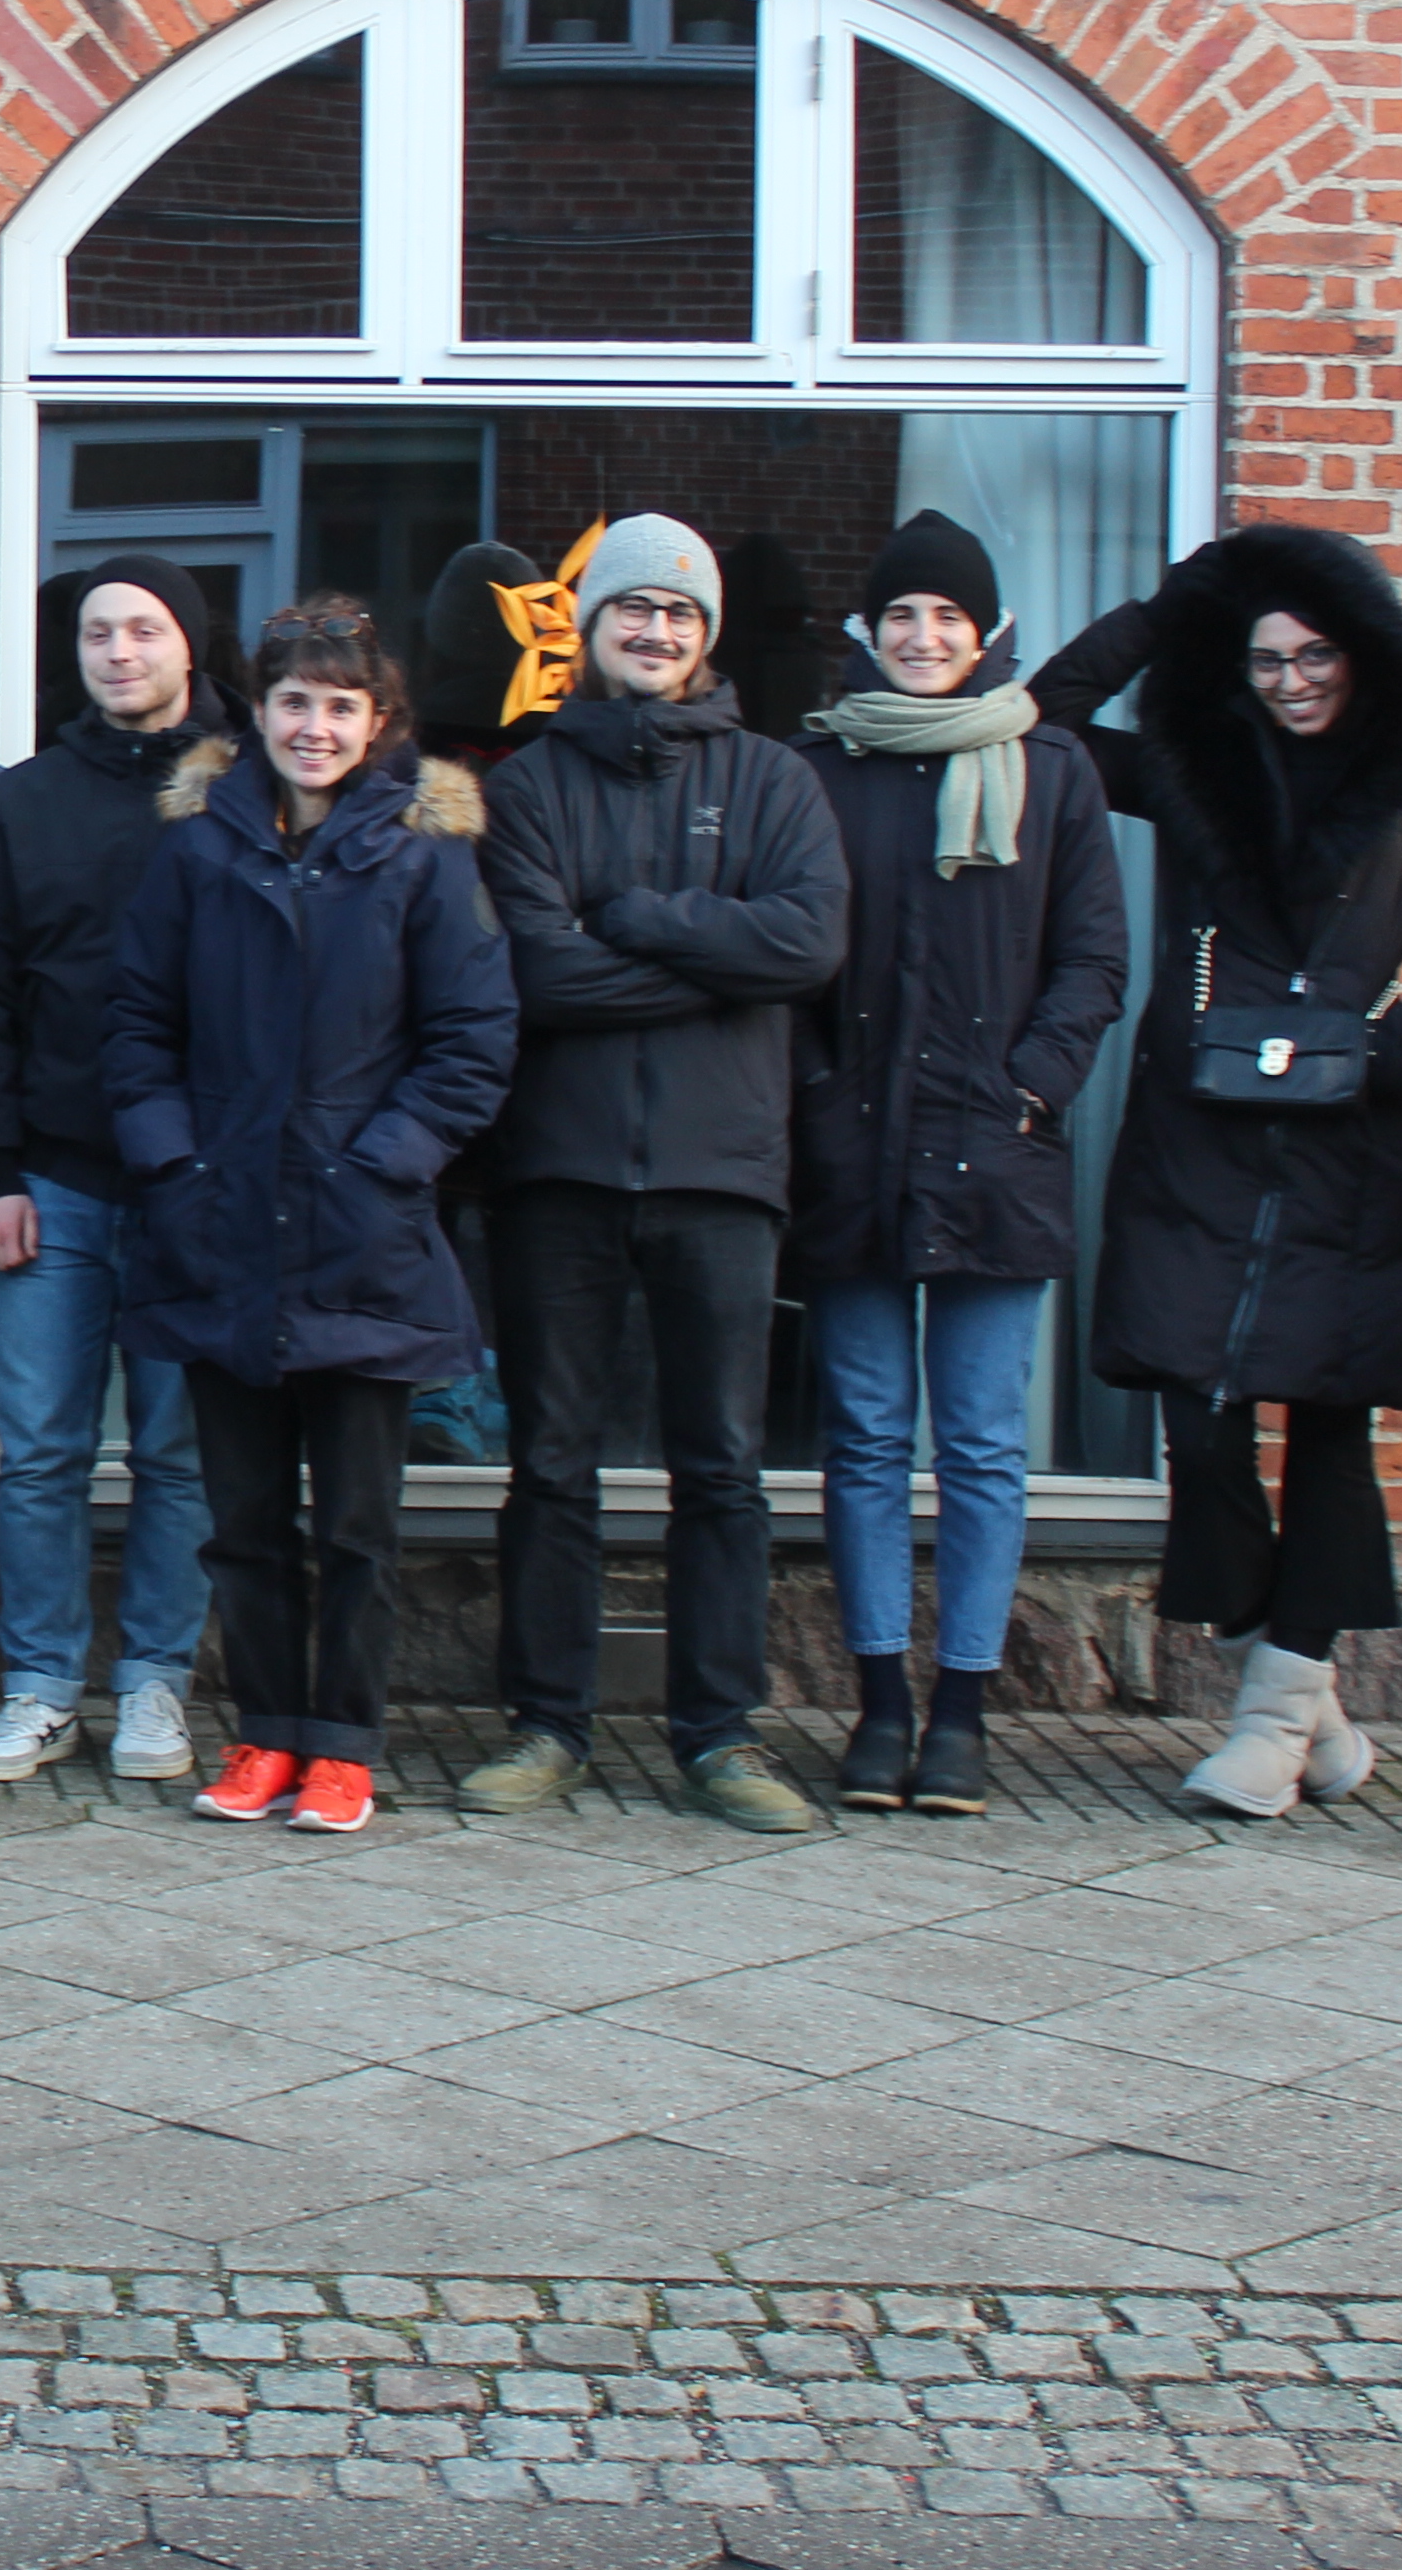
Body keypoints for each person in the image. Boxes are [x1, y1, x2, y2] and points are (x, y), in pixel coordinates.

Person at [1029, 522, 1402, 1821]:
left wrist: (1379, 1056)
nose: (1293, 681)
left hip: (1347, 1149)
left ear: (1364, 657)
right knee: (1200, 1427)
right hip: (1196, 1135)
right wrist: (1172, 611)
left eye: (1316, 657)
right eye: (1266, 658)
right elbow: (1046, 718)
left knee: (1331, 1434)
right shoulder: (1199, 769)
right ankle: (1306, 1712)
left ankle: (1274, 1715)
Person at [466, 515, 850, 1836]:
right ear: (594, 627)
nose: (657, 631)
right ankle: (546, 1725)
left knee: (723, 1468)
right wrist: (706, 958)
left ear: (707, 637)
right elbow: (531, 970)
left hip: (722, 1171)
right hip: (560, 1172)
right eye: (635, 610)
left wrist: (633, 920)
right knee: (553, 1462)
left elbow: (805, 946)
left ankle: (722, 1736)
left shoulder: (777, 784)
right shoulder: (523, 789)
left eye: (682, 616)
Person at [108, 597, 515, 1837]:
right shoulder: (195, 852)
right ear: (260, 714)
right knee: (241, 1525)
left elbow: (472, 1040)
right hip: (221, 1233)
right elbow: (135, 1028)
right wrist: (174, 1165)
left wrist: (385, 1165)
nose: (315, 726)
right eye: (294, 701)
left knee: (355, 1525)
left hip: (363, 1241)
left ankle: (344, 1742)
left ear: (379, 721)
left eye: (342, 706)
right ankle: (265, 1734)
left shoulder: (425, 857)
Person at [787, 512, 1129, 1820]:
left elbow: (1094, 957)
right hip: (856, 1157)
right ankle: (879, 1707)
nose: (923, 638)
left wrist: (1032, 1086)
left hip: (999, 1152)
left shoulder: (1053, 771)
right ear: (865, 634)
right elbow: (797, 961)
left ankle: (966, 1714)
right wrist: (819, 1099)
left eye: (947, 616)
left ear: (987, 633)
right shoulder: (819, 771)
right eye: (901, 617)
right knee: (869, 1437)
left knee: (982, 1444)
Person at [0, 557, 231, 1787]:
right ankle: (41, 1684)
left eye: (144, 631)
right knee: (43, 1446)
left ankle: (157, 1685)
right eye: (98, 633)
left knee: (179, 1453)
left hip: (196, 1184)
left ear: (188, 648)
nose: (118, 653)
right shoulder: (26, 800)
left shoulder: (247, 792)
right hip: (51, 1178)